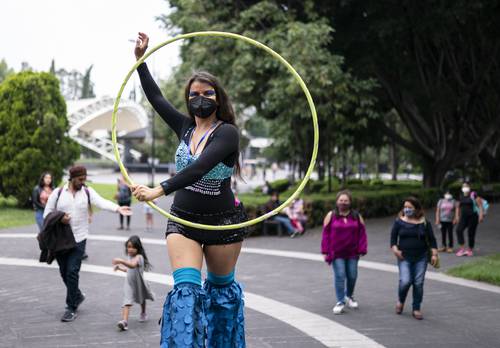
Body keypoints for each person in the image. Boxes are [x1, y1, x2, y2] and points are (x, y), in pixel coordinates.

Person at [130, 32, 247, 347]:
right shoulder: (184, 127)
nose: (200, 98)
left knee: (222, 298)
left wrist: (159, 189)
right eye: (194, 94)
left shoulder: (228, 134)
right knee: (185, 296)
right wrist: (141, 61)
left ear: (218, 98)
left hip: (224, 223)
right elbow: (156, 99)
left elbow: (201, 165)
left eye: (207, 93)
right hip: (183, 221)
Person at [43, 165, 132, 322]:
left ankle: (70, 307)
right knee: (64, 272)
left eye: (85, 179)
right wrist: (60, 218)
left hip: (79, 238)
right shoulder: (58, 194)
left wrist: (118, 209)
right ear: (72, 178)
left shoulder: (87, 192)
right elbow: (47, 213)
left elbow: (102, 202)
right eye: (80, 179)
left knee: (72, 271)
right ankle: (77, 295)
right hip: (62, 239)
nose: (83, 182)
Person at [390, 196, 438, 320]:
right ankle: (401, 301)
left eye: (410, 207)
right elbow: (393, 239)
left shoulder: (424, 223)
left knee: (418, 283)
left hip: (421, 257)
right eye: (405, 207)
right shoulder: (399, 222)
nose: (407, 209)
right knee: (405, 281)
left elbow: (432, 240)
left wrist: (434, 254)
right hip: (404, 257)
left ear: (416, 209)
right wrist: (395, 250)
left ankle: (416, 308)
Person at [321, 190, 367, 315]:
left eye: (346, 200)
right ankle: (340, 301)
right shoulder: (331, 215)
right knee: (340, 275)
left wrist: (362, 248)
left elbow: (362, 232)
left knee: (352, 275)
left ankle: (349, 296)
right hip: (336, 252)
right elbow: (325, 234)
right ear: (337, 202)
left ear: (350, 202)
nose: (343, 203)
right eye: (341, 200)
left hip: (352, 252)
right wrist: (325, 250)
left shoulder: (356, 216)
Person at [113, 235, 154, 331]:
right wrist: (120, 268)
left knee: (142, 298)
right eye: (128, 247)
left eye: (133, 247)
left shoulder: (139, 257)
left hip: (138, 283)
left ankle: (143, 313)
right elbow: (129, 270)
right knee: (127, 301)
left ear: (138, 248)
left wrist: (121, 261)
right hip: (129, 283)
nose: (130, 249)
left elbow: (132, 266)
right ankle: (124, 321)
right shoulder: (129, 257)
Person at [454, 182, 484, 257]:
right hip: (463, 217)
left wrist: (481, 215)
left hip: (473, 217)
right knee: (459, 230)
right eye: (463, 186)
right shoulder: (460, 195)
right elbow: (457, 207)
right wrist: (457, 216)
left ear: (469, 187)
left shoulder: (473, 194)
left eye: (466, 186)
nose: (465, 187)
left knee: (471, 233)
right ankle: (462, 249)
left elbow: (480, 205)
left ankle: (470, 250)